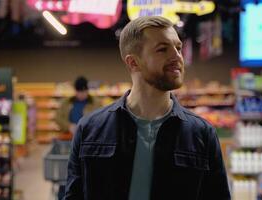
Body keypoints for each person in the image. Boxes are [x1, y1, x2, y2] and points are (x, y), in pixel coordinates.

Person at [64, 16, 231, 200]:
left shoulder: (202, 134)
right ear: (133, 62)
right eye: (162, 49)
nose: (177, 57)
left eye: (178, 48)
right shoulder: (89, 129)